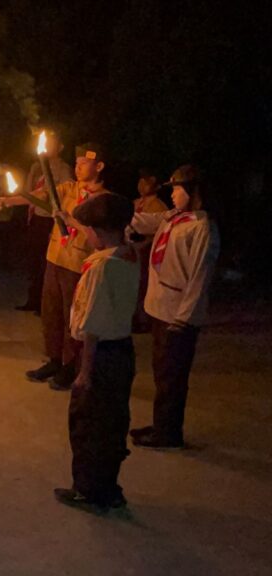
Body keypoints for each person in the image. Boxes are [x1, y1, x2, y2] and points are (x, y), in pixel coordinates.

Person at [0, 143, 109, 390]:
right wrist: (8, 200)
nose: (78, 168)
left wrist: (72, 221)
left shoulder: (103, 201)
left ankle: (72, 365)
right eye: (77, 163)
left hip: (78, 264)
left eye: (84, 164)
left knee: (72, 317)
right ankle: (55, 359)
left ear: (99, 166)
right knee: (51, 313)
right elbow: (42, 196)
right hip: (55, 258)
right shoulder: (68, 189)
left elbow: (99, 237)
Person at [52, 192, 139, 513]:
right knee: (113, 422)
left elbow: (92, 324)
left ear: (99, 231)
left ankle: (88, 489)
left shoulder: (101, 268)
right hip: (123, 351)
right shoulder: (128, 255)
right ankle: (109, 487)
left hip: (100, 354)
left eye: (87, 229)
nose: (84, 234)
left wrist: (85, 372)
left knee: (88, 422)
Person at [128, 165, 219, 449]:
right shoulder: (174, 218)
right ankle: (162, 424)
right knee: (161, 371)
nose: (174, 195)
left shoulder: (202, 227)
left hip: (177, 315)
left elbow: (199, 278)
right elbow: (142, 222)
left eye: (178, 190)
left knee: (172, 375)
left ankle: (169, 434)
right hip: (159, 308)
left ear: (194, 193)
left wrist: (184, 318)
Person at [17, 132, 73, 313]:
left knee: (46, 261)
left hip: (51, 220)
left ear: (60, 147)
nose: (48, 146)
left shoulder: (63, 169)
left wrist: (60, 222)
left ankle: (46, 304)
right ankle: (33, 299)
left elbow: (64, 196)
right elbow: (29, 192)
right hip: (36, 218)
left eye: (52, 143)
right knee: (33, 260)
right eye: (46, 143)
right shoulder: (36, 167)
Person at [130, 168, 169, 333]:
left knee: (143, 286)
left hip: (144, 251)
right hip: (132, 248)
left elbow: (156, 234)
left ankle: (143, 319)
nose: (142, 185)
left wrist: (142, 245)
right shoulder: (135, 203)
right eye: (141, 181)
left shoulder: (159, 207)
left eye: (146, 182)